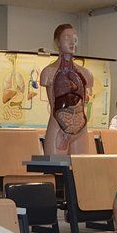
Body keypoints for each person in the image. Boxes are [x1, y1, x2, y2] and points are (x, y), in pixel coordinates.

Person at [41, 24, 94, 154]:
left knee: (81, 166)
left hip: (80, 128)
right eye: (66, 38)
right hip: (58, 127)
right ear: (57, 42)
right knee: (54, 166)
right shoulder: (48, 72)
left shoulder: (86, 74)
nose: (72, 42)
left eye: (74, 38)